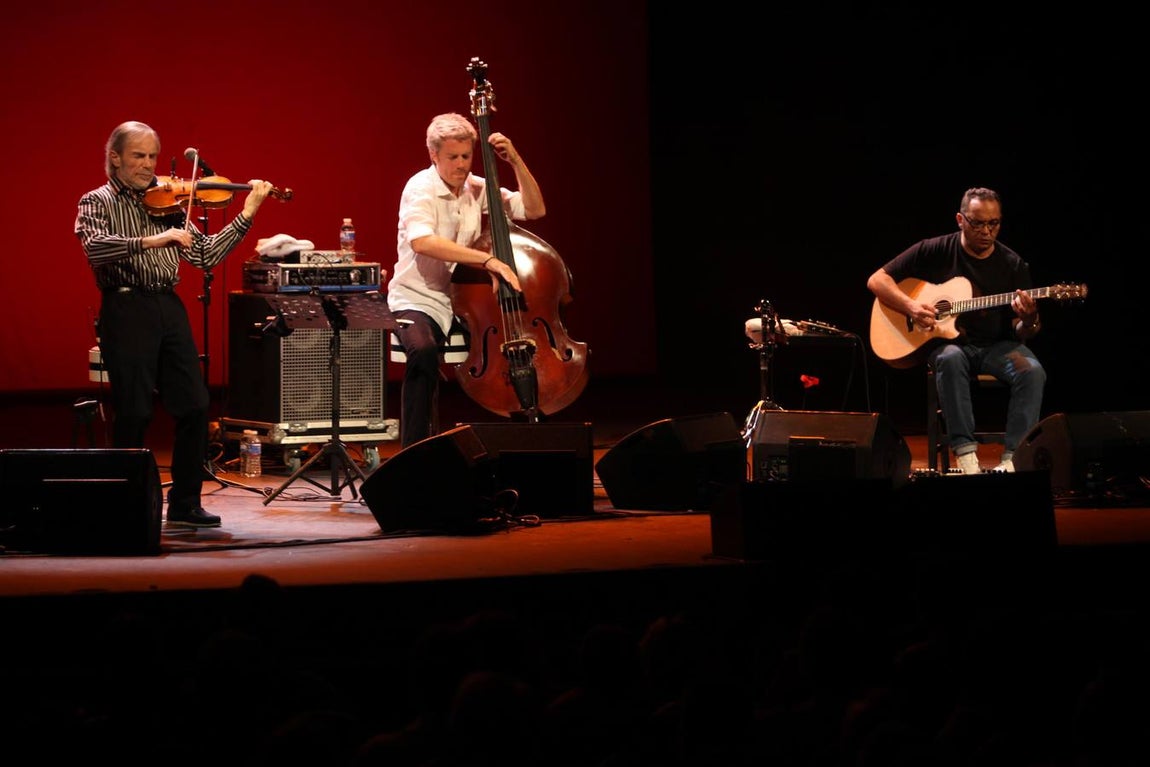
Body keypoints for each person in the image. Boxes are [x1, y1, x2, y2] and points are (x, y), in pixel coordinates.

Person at [75, 120, 275, 527]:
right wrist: (154, 240)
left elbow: (205, 255)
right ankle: (124, 506)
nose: (148, 165)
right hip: (126, 307)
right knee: (134, 410)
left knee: (195, 404)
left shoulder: (166, 202)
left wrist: (247, 213)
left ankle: (185, 504)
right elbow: (95, 248)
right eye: (138, 156)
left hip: (167, 305)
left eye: (152, 156)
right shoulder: (96, 201)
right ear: (115, 158)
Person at [387, 112, 545, 447]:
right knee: (424, 351)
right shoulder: (420, 187)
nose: (461, 165)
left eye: (466, 156)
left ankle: (517, 440)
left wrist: (515, 161)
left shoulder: (477, 188)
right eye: (453, 157)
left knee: (516, 346)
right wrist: (488, 260)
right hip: (417, 298)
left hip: (463, 302)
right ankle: (413, 450)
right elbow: (422, 241)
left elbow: (533, 209)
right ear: (433, 155)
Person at [866, 186, 1045, 474]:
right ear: (960, 220)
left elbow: (1023, 331)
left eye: (994, 223)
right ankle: (966, 455)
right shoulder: (935, 249)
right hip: (950, 346)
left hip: (997, 347)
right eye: (977, 223)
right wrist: (911, 307)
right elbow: (877, 280)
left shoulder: (1012, 264)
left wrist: (1030, 319)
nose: (986, 231)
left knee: (1032, 371)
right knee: (950, 358)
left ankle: (1014, 459)